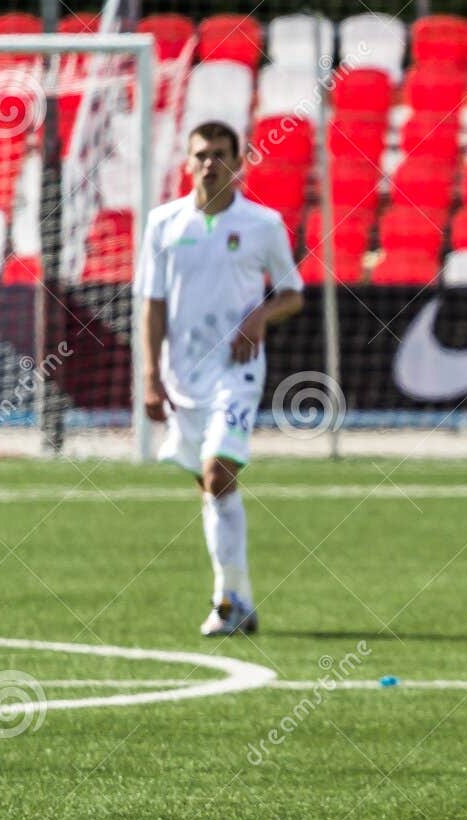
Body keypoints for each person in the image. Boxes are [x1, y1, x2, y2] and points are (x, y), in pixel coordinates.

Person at [136, 121, 303, 637]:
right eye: (202, 154)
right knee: (210, 489)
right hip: (181, 374)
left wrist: (258, 317)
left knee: (217, 475)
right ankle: (241, 596)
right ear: (188, 162)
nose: (210, 163)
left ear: (238, 162)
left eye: (221, 154)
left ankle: (226, 602)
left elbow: (293, 293)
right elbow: (152, 304)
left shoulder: (263, 224)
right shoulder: (163, 223)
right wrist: (148, 374)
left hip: (237, 370)